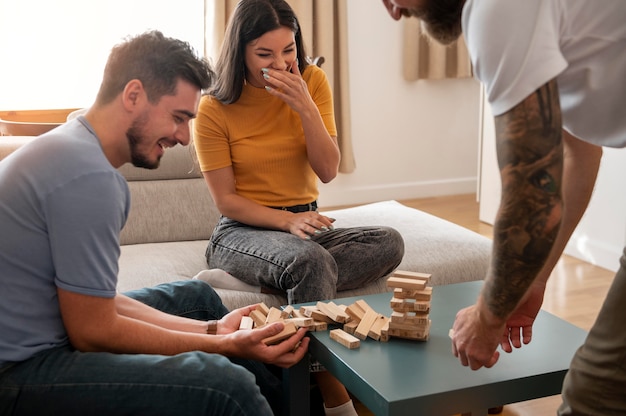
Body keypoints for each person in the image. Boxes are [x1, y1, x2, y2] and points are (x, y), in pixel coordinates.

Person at [0, 30, 310, 416]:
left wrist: (213, 330)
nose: (183, 137)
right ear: (133, 95)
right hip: (17, 372)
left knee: (196, 301)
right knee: (226, 386)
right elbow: (94, 332)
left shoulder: (73, 145)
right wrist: (222, 346)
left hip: (49, 333)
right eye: (178, 118)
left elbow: (94, 303)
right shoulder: (88, 178)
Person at [381, 0, 626, 414]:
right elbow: (576, 154)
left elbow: (531, 197)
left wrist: (487, 318)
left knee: (593, 396)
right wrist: (533, 279)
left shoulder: (497, 9)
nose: (393, 11)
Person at [193, 1, 404, 414]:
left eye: (288, 50)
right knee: (311, 262)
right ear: (241, 50)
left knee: (389, 243)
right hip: (242, 229)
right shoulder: (213, 108)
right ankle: (332, 398)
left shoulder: (313, 81)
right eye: (265, 54)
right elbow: (227, 200)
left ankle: (262, 282)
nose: (281, 63)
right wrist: (287, 221)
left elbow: (327, 170)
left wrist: (305, 105)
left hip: (305, 224)